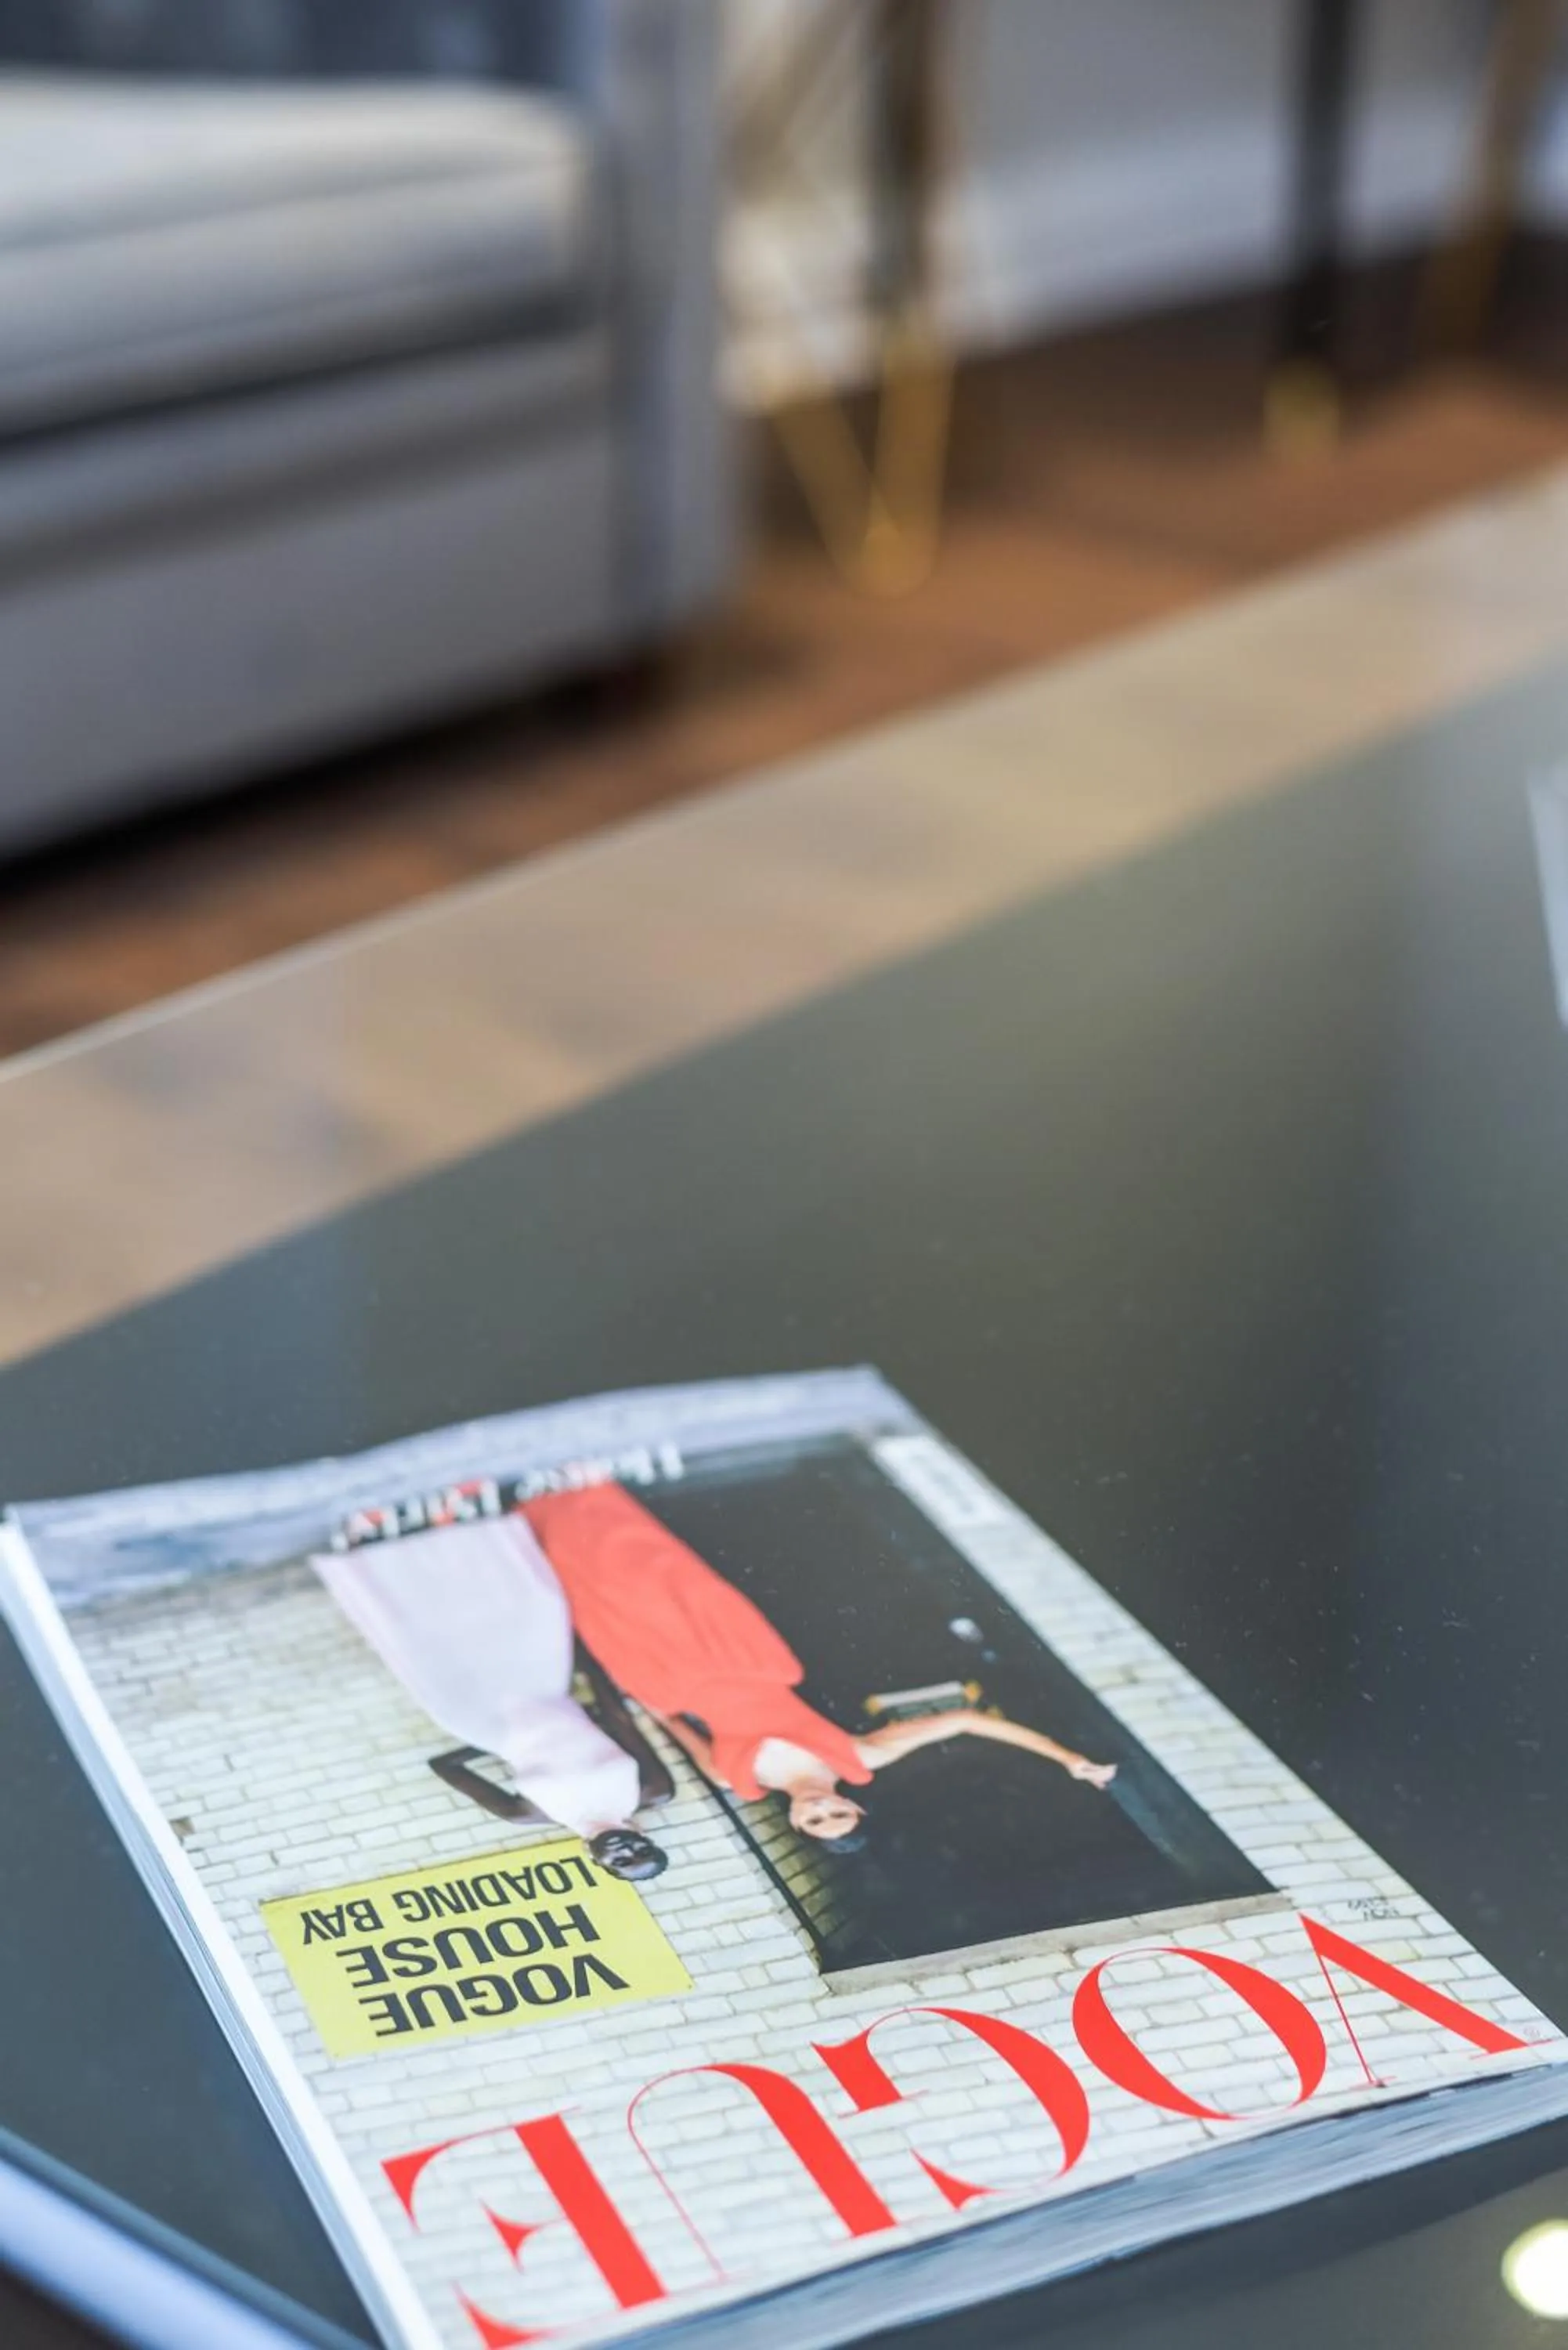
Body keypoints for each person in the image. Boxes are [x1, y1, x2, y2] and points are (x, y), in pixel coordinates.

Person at [523, 1484, 1116, 1847]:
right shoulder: (859, 1759)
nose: (821, 1809)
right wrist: (1068, 1758)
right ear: (853, 1805)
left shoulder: (741, 1782)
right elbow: (968, 1721)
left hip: (665, 1674)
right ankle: (584, 1489)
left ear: (799, 1825)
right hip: (740, 1655)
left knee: (597, 1596)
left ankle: (533, 1507)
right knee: (663, 1574)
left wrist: (647, 1700)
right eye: (837, 1814)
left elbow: (679, 1732)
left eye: (816, 1822)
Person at [312, 1515, 667, 1879]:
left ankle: (367, 1545)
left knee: (425, 1636)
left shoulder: (527, 1813)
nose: (626, 1850)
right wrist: (587, 1662)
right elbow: (622, 1720)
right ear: (647, 1835)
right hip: (547, 1688)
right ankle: (453, 1520)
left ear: (595, 1862)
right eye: (642, 1850)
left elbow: (445, 1766)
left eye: (622, 1862)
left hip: (485, 1718)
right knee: (527, 1608)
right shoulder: (652, 1790)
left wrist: (509, 1745)